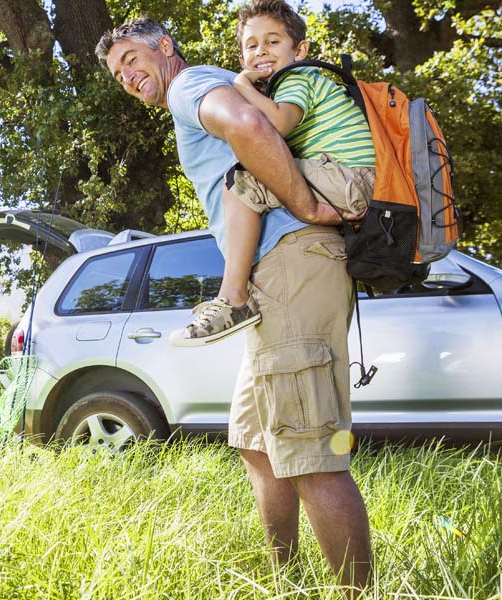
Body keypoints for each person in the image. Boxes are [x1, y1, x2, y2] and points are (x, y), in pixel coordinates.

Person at [96, 17, 372, 592]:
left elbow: (248, 124)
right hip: (268, 276)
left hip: (291, 262)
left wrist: (305, 202)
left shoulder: (190, 83)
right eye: (117, 70)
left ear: (163, 48)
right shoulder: (210, 82)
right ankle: (286, 581)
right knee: (256, 442)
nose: (127, 75)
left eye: (131, 58)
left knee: (310, 452)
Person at [174, 0, 377, 347]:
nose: (261, 51)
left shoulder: (298, 76)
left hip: (351, 179)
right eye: (251, 45)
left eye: (272, 41)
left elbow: (278, 125)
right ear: (242, 57)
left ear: (300, 50)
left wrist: (240, 86)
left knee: (242, 181)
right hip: (349, 178)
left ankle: (234, 297)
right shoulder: (293, 83)